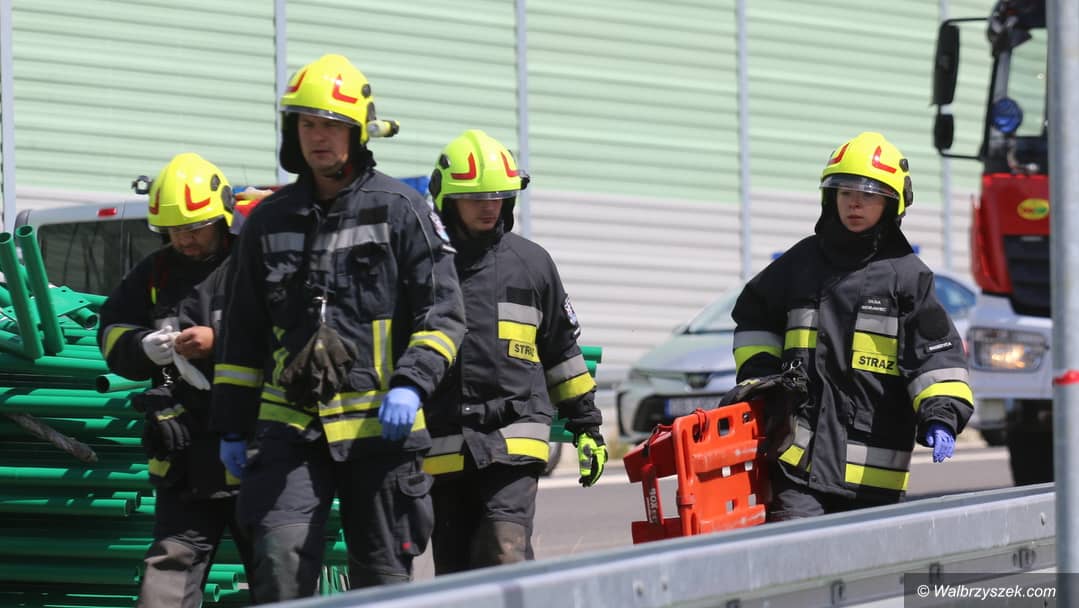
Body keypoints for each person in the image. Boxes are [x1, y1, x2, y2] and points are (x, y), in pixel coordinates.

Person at [208, 53, 465, 602]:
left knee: (382, 583)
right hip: (290, 427)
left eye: (330, 125)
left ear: (357, 132)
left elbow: (443, 313)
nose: (318, 137)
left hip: (382, 429)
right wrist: (231, 425)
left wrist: (411, 383)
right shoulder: (267, 221)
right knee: (278, 559)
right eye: (307, 124)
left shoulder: (402, 209)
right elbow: (242, 335)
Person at [730, 131, 974, 521]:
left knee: (862, 561)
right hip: (797, 465)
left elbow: (936, 359)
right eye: (845, 192)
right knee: (794, 548)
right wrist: (762, 375)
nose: (854, 203)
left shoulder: (908, 279)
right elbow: (754, 316)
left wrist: (941, 415)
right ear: (830, 198)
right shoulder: (801, 264)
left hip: (871, 482)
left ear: (892, 204)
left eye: (868, 195)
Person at [422, 129, 606, 573]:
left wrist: (587, 427)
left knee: (504, 547)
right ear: (447, 200)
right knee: (455, 571)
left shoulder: (531, 264)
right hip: (444, 441)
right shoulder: (423, 266)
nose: (490, 206)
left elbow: (561, 351)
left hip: (514, 433)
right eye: (476, 197)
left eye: (499, 196)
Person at [97, 153, 255, 607]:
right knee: (168, 574)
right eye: (172, 230)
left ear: (222, 216)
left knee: (280, 576)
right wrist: (141, 345)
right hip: (187, 458)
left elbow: (290, 335)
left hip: (259, 453)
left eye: (194, 228)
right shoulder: (154, 273)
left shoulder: (255, 264)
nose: (183, 239)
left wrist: (218, 342)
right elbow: (111, 331)